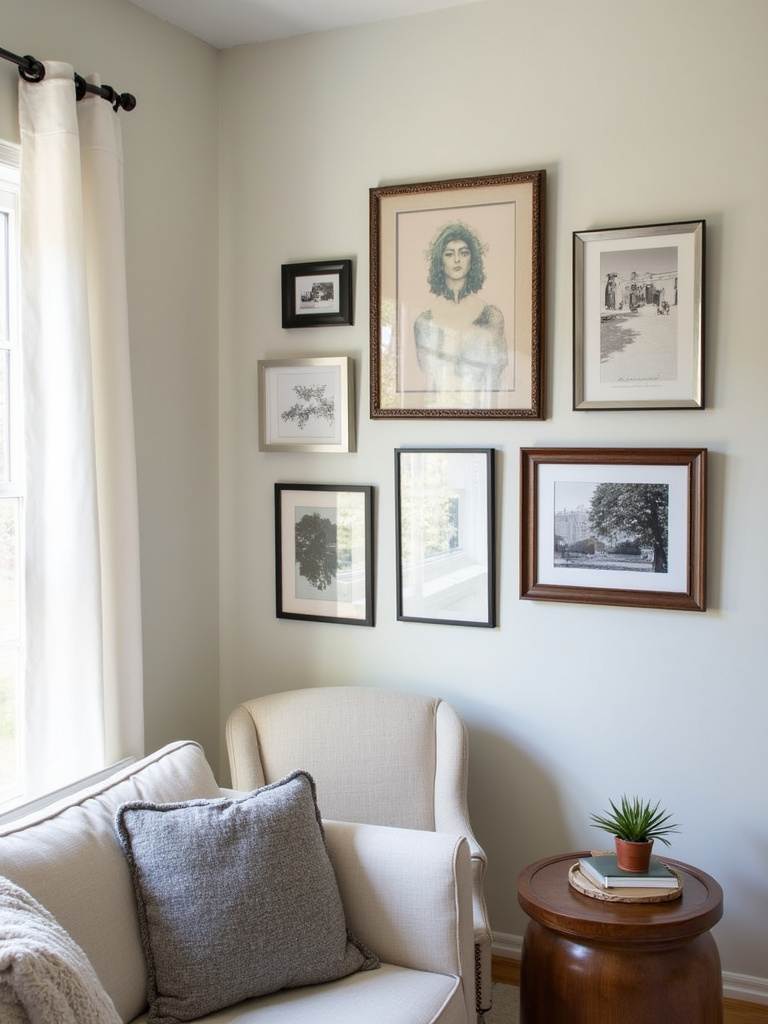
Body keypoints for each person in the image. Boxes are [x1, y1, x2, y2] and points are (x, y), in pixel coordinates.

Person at [413, 222, 507, 400]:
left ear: (473, 260)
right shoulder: (424, 321)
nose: (457, 260)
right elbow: (427, 377)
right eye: (449, 254)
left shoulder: (492, 317)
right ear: (440, 262)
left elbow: (497, 376)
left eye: (463, 253)